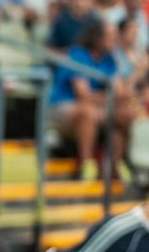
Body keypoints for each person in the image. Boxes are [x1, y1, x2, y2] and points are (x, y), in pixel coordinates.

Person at [48, 15, 135, 179]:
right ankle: (87, 165)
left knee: (124, 114)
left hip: (94, 107)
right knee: (89, 113)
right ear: (97, 37)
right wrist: (112, 95)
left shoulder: (111, 59)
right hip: (60, 106)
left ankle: (115, 164)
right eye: (111, 36)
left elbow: (121, 93)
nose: (116, 40)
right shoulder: (77, 54)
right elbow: (84, 96)